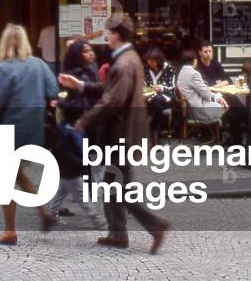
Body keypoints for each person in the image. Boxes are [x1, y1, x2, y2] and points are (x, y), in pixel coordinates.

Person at [59, 14, 169, 254]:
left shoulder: (124, 63)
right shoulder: (127, 59)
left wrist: (84, 121)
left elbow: (111, 100)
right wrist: (80, 85)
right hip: (123, 133)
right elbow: (110, 90)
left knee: (119, 187)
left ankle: (156, 225)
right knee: (112, 184)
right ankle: (117, 233)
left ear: (116, 34)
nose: (105, 36)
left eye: (108, 32)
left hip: (121, 135)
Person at [0, 23, 58, 244]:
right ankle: (44, 214)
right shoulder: (39, 65)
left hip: (9, 130)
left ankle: (9, 231)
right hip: (32, 130)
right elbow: (53, 92)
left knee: (6, 179)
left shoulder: (4, 69)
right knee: (17, 174)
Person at [48, 40, 103, 226]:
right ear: (78, 54)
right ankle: (95, 214)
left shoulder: (90, 69)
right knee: (73, 172)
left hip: (87, 127)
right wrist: (62, 103)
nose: (91, 53)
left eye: (91, 50)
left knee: (71, 174)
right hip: (76, 129)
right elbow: (81, 103)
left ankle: (51, 212)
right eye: (86, 51)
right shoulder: (76, 73)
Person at [176, 50, 228, 124]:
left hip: (189, 111)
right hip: (199, 112)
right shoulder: (194, 74)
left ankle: (217, 130)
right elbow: (206, 95)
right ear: (194, 60)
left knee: (220, 102)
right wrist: (218, 96)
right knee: (225, 106)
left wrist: (217, 96)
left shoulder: (181, 72)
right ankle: (224, 131)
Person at [143, 46, 176, 143]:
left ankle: (152, 134)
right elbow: (142, 86)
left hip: (166, 97)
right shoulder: (145, 69)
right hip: (149, 98)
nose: (150, 63)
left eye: (153, 61)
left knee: (157, 100)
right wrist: (150, 88)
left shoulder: (168, 68)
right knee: (155, 102)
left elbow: (173, 87)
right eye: (148, 61)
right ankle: (155, 136)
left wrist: (161, 87)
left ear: (158, 60)